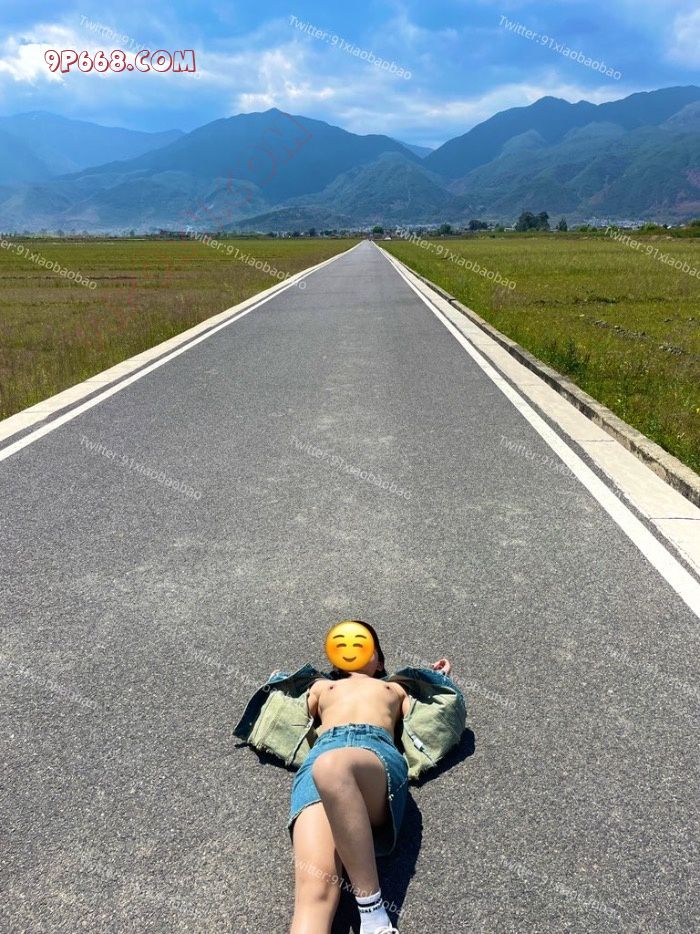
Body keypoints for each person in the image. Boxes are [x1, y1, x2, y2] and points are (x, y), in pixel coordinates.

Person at [286, 621, 453, 934]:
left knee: (332, 767)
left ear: (378, 660)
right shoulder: (323, 687)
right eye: (342, 644)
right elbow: (292, 714)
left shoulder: (394, 688)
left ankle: (373, 917)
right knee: (314, 891)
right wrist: (280, 684)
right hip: (321, 758)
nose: (351, 649)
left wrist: (437, 679)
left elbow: (428, 713)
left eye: (363, 644)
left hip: (372, 756)